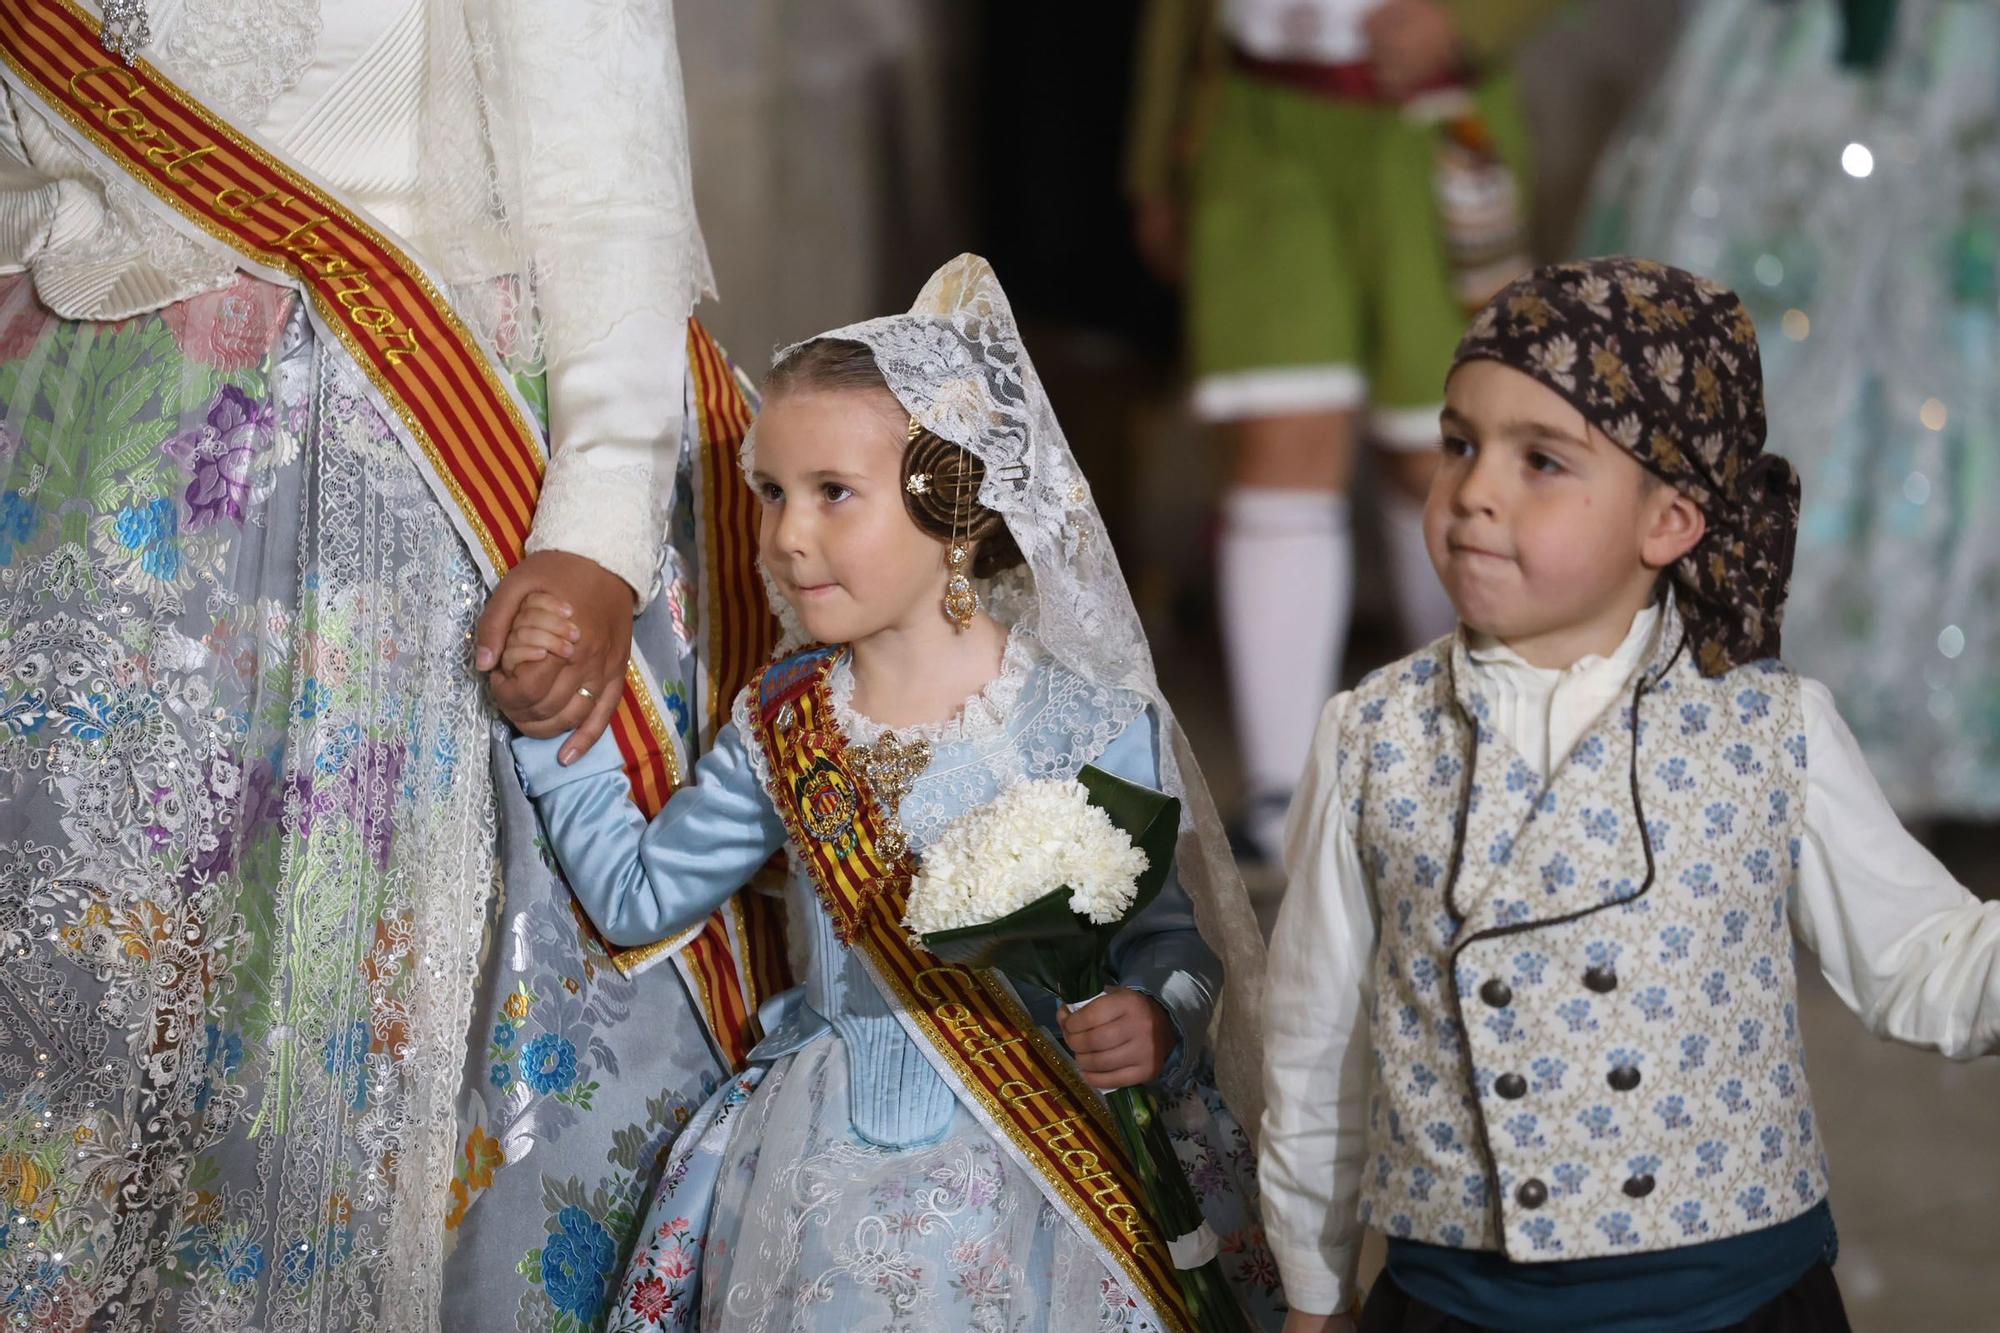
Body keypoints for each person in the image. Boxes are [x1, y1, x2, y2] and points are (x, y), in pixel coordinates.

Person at [0, 2, 758, 1327]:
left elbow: (605, 181)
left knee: (299, 1052)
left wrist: (603, 516)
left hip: (382, 483)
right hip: (62, 460)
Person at [494, 255, 1286, 1329]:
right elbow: (641, 895)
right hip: (824, 1174)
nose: (784, 535)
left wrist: (1157, 1020)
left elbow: (1173, 947)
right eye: (770, 491)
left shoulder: (1091, 725)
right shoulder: (782, 723)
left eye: (831, 495)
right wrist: (552, 728)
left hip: (1058, 1179)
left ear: (950, 502)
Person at [1259, 257, 2000, 1332]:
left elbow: (1921, 960)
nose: (1472, 489)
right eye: (1458, 443)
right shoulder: (1369, 735)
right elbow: (1319, 1038)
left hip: (1731, 1301)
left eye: (1541, 461)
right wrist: (1312, 1287)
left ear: (1669, 523)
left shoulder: (1771, 730)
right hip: (1460, 1304)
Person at [1125, 0, 1561, 863]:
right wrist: (1156, 156)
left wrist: (1473, 22)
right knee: (1276, 444)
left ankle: (1473, 760)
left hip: (1431, 125)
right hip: (1255, 124)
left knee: (1439, 447)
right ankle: (1284, 790)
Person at [1582, 0, 2000, 819]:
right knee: (1765, 352)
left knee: (1945, 381)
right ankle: (1750, 723)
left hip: (1957, 76)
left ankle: (1910, 732)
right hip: (1789, 71)